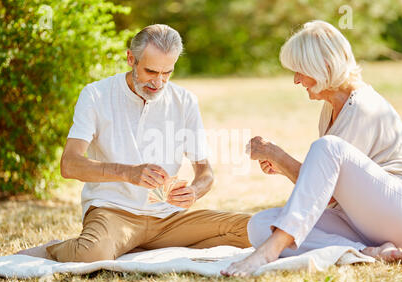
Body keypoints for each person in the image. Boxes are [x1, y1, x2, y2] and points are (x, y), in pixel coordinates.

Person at [18, 24, 251, 262]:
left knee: (252, 230)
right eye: (151, 71)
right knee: (92, 253)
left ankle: (135, 247)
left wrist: (194, 191)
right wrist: (128, 173)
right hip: (114, 213)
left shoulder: (185, 101)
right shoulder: (96, 95)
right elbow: (70, 165)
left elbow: (205, 172)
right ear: (131, 58)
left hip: (167, 218)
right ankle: (54, 249)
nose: (159, 83)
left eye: (167, 72)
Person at [221, 20, 402, 276]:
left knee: (326, 147)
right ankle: (364, 250)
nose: (296, 80)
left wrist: (277, 155)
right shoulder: (330, 108)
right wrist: (282, 167)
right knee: (259, 226)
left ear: (324, 66)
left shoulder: (364, 107)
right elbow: (326, 188)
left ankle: (269, 252)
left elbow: (330, 194)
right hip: (359, 222)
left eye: (300, 71)